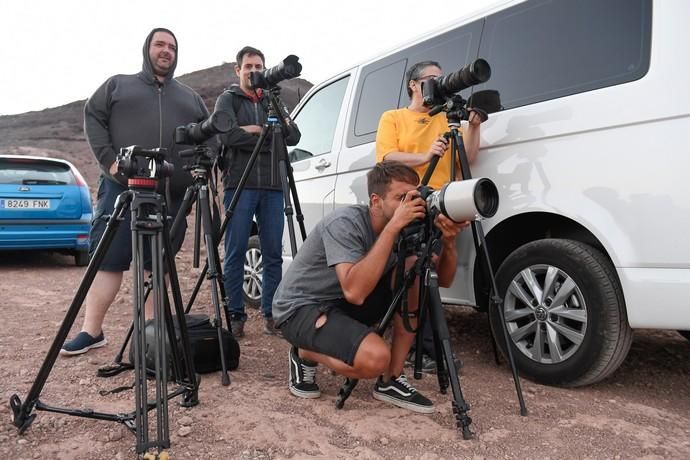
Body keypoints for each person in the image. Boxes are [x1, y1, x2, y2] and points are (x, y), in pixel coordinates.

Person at [60, 28, 210, 356]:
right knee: (109, 260)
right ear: (148, 49)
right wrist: (110, 162)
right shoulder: (118, 86)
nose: (166, 51)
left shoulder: (190, 98)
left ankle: (151, 336)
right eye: (160, 44)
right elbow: (93, 117)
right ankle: (92, 330)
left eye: (172, 46)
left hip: (169, 196)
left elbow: (207, 135)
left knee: (157, 266)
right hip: (121, 188)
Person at [273, 161, 464, 413]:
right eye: (401, 198)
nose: (411, 204)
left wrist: (449, 243)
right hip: (300, 308)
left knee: (414, 271)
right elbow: (354, 291)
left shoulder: (412, 226)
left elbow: (444, 280)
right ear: (376, 201)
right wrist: (393, 227)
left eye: (413, 195)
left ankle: (391, 380)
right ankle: (304, 352)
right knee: (375, 358)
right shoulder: (346, 222)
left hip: (343, 303)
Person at [375, 60, 485, 373]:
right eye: (433, 79)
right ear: (413, 85)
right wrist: (425, 156)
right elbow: (385, 156)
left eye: (443, 78)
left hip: (443, 201)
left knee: (432, 274)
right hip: (410, 199)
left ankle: (425, 345)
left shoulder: (445, 119)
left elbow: (468, 160)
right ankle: (421, 348)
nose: (441, 83)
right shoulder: (394, 117)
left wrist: (474, 126)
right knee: (411, 274)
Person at [214, 46, 301, 338]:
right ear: (237, 70)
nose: (254, 71)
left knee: (273, 251)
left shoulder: (271, 99)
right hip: (240, 184)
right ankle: (236, 315)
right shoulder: (228, 99)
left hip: (274, 185)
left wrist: (256, 130)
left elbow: (294, 135)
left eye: (258, 66)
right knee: (236, 249)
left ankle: (271, 314)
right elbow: (226, 133)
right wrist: (261, 134)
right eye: (248, 66)